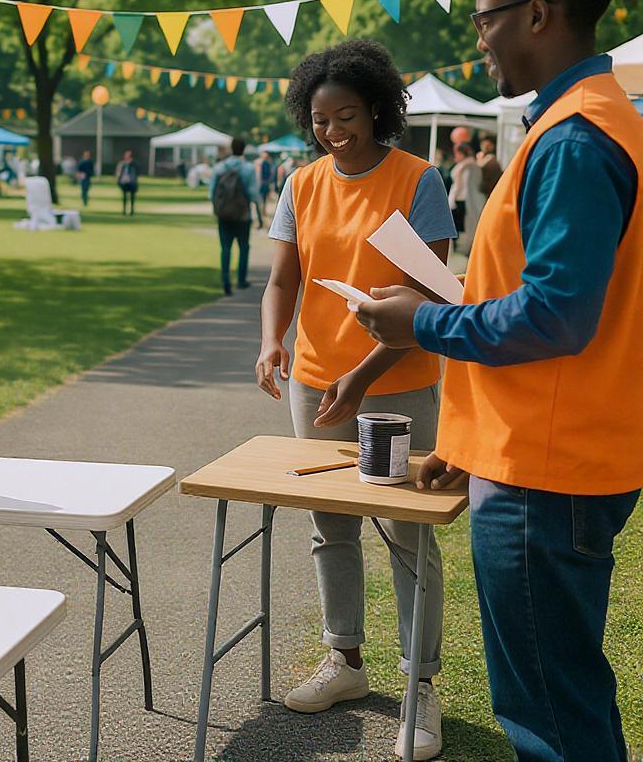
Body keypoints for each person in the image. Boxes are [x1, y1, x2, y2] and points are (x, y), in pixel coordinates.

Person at [355, 0, 643, 762]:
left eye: (486, 21)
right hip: (540, 457)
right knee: (566, 697)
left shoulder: (576, 139)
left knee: (550, 721)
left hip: (546, 478)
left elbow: (557, 318)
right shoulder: (587, 124)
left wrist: (419, 324)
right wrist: (472, 445)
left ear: (541, 13)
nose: (477, 39)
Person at [257, 40, 456, 761]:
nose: (335, 130)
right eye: (320, 118)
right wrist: (271, 342)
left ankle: (419, 685)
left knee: (406, 532)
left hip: (396, 380)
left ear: (377, 109)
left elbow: (433, 293)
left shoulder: (417, 178)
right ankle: (344, 660)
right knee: (329, 524)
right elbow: (283, 281)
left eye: (347, 115)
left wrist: (366, 374)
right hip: (315, 382)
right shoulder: (300, 182)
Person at [209, 137, 261, 295]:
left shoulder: (219, 167)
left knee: (225, 248)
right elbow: (253, 194)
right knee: (244, 247)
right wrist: (259, 213)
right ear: (243, 149)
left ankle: (226, 282)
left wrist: (217, 209)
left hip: (224, 214)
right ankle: (241, 279)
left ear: (231, 148)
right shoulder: (248, 168)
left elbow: (212, 193)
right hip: (242, 215)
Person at [447, 142, 485, 255]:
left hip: (462, 198)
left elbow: (466, 185)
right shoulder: (465, 166)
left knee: (463, 224)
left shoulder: (468, 167)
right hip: (460, 198)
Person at [116, 150, 139, 216]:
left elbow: (137, 173)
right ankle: (124, 209)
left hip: (132, 182)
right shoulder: (122, 164)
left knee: (132, 197)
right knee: (124, 197)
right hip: (124, 182)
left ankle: (132, 209)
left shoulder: (134, 164)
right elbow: (118, 172)